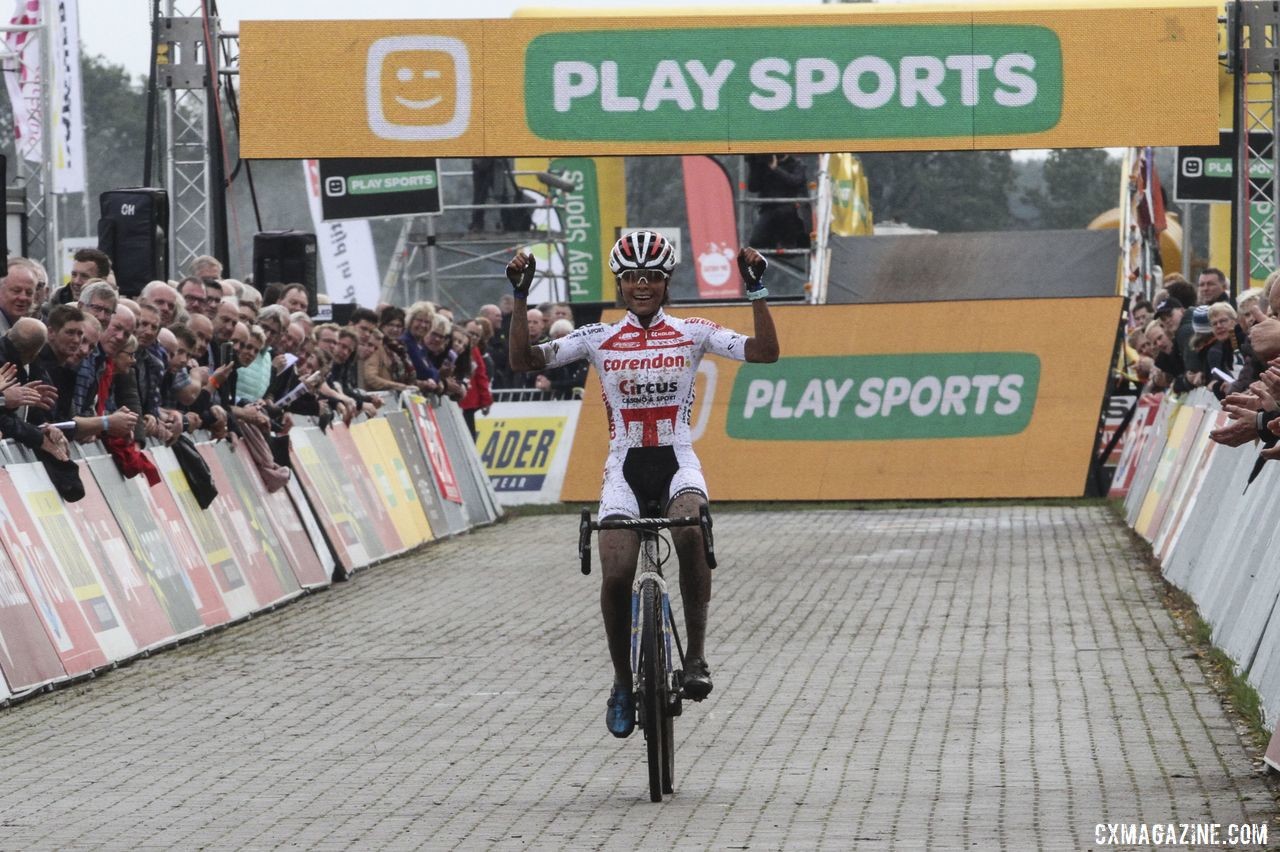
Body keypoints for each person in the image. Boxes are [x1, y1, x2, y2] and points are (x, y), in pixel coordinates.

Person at [508, 230, 779, 739]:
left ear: (665, 282)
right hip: (623, 466)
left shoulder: (692, 330)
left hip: (676, 458)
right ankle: (620, 682)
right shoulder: (597, 337)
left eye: (652, 277)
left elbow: (765, 352)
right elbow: (524, 361)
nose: (642, 285)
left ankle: (696, 657)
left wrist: (756, 289)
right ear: (620, 283)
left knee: (692, 529)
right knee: (615, 572)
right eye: (632, 277)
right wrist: (521, 298)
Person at [746, 153, 810, 249]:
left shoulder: (796, 164)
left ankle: (788, 242)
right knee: (755, 242)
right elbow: (753, 187)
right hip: (768, 209)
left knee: (784, 213)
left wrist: (775, 169)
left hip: (790, 211)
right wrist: (753, 165)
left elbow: (795, 181)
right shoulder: (765, 165)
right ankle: (771, 244)